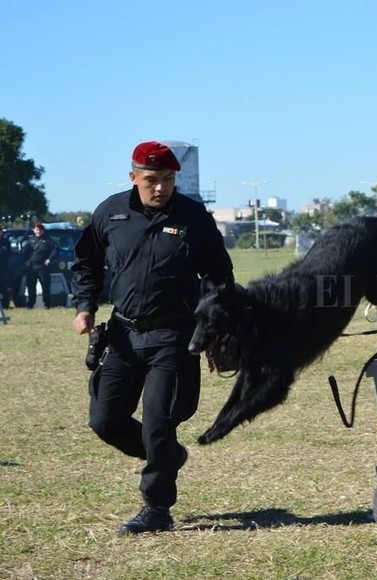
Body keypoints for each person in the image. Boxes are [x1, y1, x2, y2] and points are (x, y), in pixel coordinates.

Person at [71, 141, 234, 535]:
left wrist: (216, 322)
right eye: (151, 180)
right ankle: (168, 456)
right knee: (105, 420)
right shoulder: (111, 212)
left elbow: (218, 275)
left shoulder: (192, 216)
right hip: (123, 334)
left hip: (173, 336)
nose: (160, 187)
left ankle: (156, 509)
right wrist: (84, 306)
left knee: (159, 422)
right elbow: (86, 262)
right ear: (133, 178)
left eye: (167, 179)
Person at [21, 222, 59, 308]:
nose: (38, 232)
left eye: (40, 230)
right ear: (34, 230)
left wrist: (49, 259)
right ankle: (30, 304)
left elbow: (56, 249)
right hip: (31, 267)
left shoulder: (48, 240)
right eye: (36, 230)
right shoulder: (30, 240)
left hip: (43, 266)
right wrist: (25, 263)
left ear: (42, 231)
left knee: (45, 286)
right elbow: (25, 253)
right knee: (31, 286)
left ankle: (47, 304)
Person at [0, 227, 10, 309]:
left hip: (3, 268)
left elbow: (9, 254)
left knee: (4, 287)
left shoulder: (6, 242)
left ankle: (5, 304)